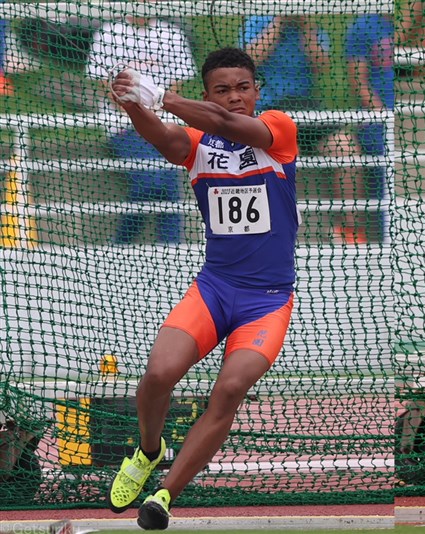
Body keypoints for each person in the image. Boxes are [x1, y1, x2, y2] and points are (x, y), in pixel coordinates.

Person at [104, 47, 298, 530]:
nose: (234, 98)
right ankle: (150, 450)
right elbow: (165, 138)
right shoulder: (199, 143)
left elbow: (227, 125)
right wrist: (132, 101)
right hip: (213, 289)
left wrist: (159, 95)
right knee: (156, 376)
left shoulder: (277, 130)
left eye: (243, 87)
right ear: (208, 92)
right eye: (222, 90)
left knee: (229, 388)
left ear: (257, 91)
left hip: (267, 302)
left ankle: (166, 495)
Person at [86, 11, 196, 243]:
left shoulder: (172, 34)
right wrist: (138, 115)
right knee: (151, 183)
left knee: (168, 188)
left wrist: (155, 115)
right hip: (124, 125)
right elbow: (103, 84)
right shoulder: (109, 33)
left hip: (164, 123)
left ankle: (170, 248)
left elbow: (176, 86)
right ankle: (123, 246)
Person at [333, 13, 393, 244]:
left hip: (402, 116)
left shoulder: (404, 21)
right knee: (382, 175)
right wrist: (384, 115)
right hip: (376, 122)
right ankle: (379, 237)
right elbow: (359, 80)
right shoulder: (362, 26)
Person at [241, 15, 332, 154]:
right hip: (267, 109)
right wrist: (278, 23)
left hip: (304, 108)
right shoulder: (257, 21)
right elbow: (248, 60)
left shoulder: (313, 28)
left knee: (345, 145)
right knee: (290, 150)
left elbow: (323, 65)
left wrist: (306, 28)